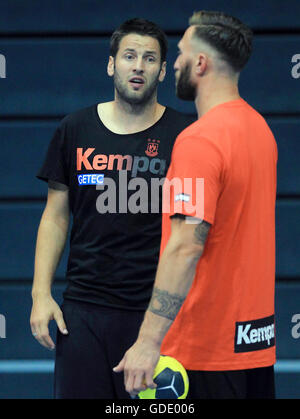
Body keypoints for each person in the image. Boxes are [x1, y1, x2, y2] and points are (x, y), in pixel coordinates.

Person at [114, 11, 278, 399]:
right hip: (255, 347)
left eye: (183, 53)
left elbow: (186, 245)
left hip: (201, 356)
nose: (175, 66)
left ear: (200, 64)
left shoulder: (198, 141)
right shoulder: (261, 131)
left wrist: (148, 340)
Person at [30, 18, 195, 399]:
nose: (138, 66)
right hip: (83, 312)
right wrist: (41, 293)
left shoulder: (186, 135)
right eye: (129, 56)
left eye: (150, 58)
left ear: (163, 70)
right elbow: (55, 216)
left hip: (156, 314)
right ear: (111, 64)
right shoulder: (75, 128)